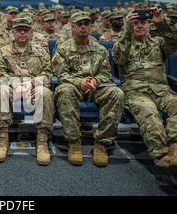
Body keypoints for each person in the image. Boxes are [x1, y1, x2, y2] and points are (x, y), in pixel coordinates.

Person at [112, 8, 177, 188]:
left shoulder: (159, 43)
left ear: (148, 25)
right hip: (135, 91)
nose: (139, 26)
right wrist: (126, 29)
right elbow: (119, 58)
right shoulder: (122, 43)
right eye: (136, 23)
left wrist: (161, 22)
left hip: (161, 90)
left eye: (143, 23)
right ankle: (163, 156)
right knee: (148, 111)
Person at [52, 12, 124, 167]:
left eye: (86, 24)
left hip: (95, 88)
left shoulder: (101, 50)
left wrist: (95, 81)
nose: (83, 27)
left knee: (116, 93)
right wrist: (80, 81)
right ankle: (74, 142)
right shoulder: (63, 49)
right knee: (64, 91)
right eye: (79, 24)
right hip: (73, 86)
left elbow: (106, 73)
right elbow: (60, 73)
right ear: (72, 27)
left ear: (91, 26)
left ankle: (101, 143)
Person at [0, 17, 54, 165]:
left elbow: (48, 73)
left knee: (45, 93)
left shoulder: (41, 51)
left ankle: (42, 142)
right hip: (12, 87)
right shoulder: (2, 50)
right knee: (0, 91)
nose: (22, 32)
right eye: (18, 30)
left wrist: (31, 83)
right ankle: (2, 140)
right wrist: (16, 84)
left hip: (34, 87)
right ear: (12, 32)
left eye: (25, 30)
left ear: (31, 32)